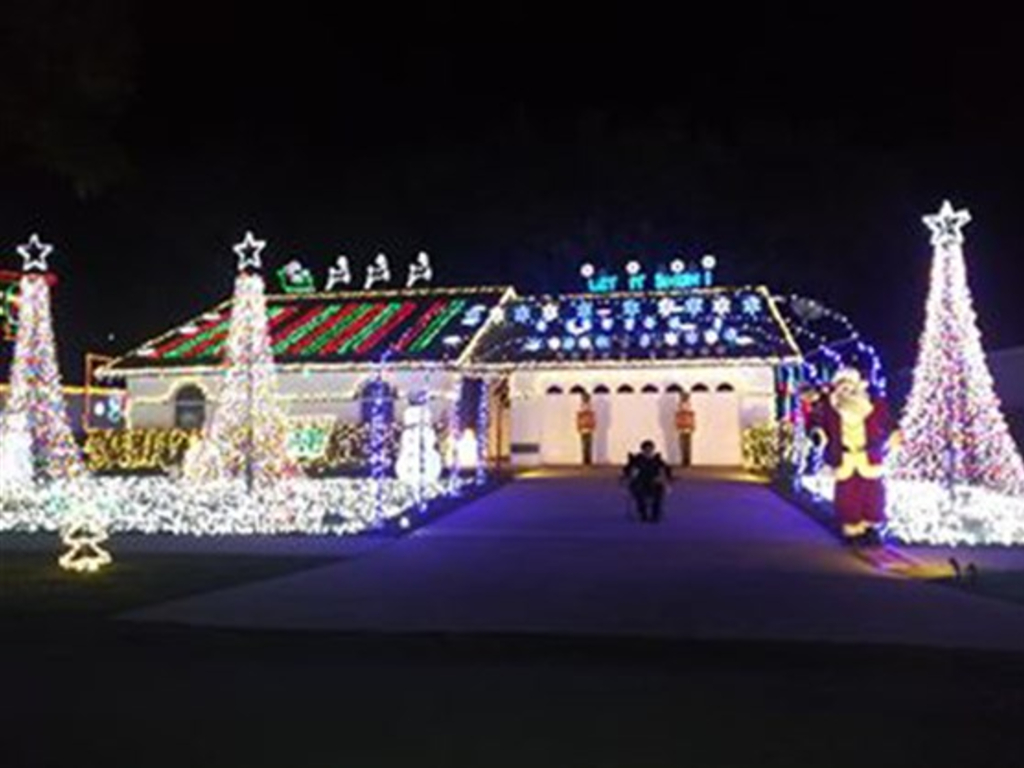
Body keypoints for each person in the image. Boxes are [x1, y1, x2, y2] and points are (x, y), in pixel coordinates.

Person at [622, 440, 672, 523]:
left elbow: (666, 470)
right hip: (640, 482)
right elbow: (627, 470)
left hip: (654, 482)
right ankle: (643, 513)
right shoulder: (637, 459)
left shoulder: (657, 459)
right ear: (643, 450)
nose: (648, 451)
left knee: (659, 491)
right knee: (638, 491)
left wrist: (664, 479)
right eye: (646, 449)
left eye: (650, 449)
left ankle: (655, 514)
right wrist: (631, 473)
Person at [674, 392, 695, 468]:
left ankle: (687, 461)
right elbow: (678, 419)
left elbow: (691, 419)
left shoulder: (689, 411)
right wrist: (678, 426)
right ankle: (684, 461)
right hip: (682, 428)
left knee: (687, 445)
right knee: (683, 445)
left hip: (687, 428)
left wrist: (692, 426)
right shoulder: (680, 410)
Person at [576, 393, 596, 465]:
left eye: (586, 398)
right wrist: (578, 427)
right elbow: (578, 417)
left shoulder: (590, 407)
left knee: (589, 444)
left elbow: (592, 417)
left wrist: (593, 426)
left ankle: (588, 460)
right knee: (584, 445)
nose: (585, 399)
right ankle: (585, 460)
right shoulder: (581, 407)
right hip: (583, 428)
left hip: (589, 428)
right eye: (584, 398)